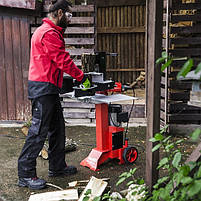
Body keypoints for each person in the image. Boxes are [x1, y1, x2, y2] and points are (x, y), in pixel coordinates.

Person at [17, 0, 90, 190]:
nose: (70, 19)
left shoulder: (46, 31)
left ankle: (57, 167)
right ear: (59, 13)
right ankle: (25, 174)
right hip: (43, 89)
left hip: (48, 87)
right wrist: (81, 77)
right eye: (69, 15)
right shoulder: (49, 33)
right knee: (38, 131)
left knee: (57, 128)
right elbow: (62, 60)